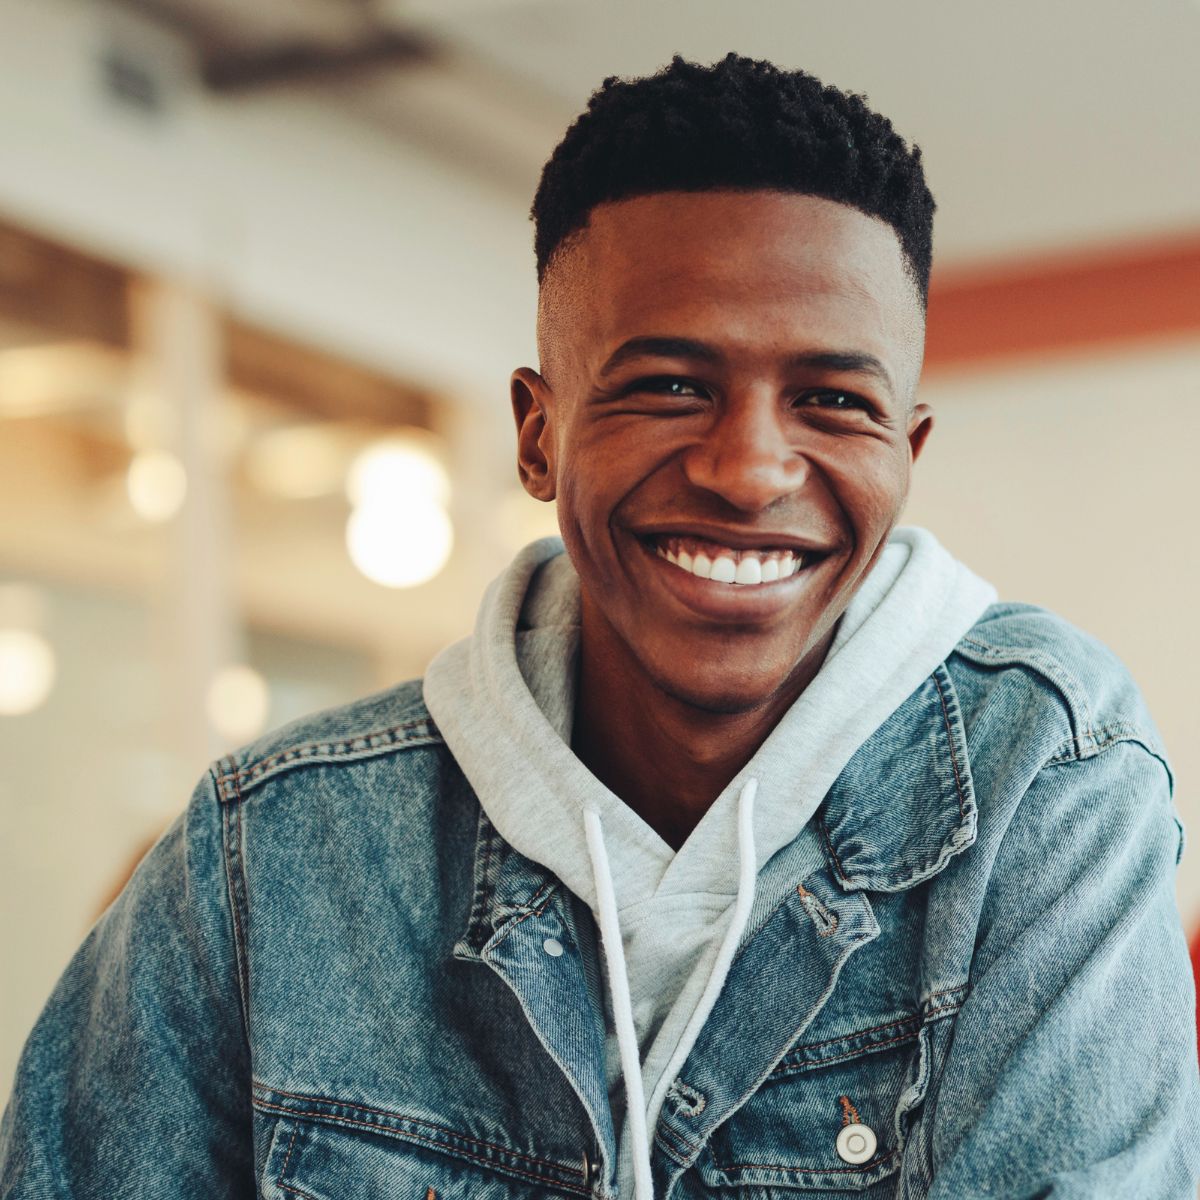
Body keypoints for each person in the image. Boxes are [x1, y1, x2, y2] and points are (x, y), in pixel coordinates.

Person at [2, 53, 1197, 1200]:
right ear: (538, 433)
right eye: (670, 385)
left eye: (833, 401)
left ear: (906, 453)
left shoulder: (1044, 775)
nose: (748, 469)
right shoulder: (268, 856)